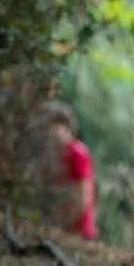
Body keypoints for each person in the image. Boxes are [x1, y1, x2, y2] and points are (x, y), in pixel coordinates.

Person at [38, 100, 98, 240]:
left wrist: (66, 224)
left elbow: (83, 193)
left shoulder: (77, 152)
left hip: (78, 231)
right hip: (59, 228)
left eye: (52, 126)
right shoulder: (53, 154)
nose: (49, 132)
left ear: (65, 126)